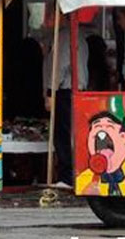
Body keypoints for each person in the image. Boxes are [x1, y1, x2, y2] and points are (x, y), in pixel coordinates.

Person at [43, 10, 89, 186]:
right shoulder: (80, 36)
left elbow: (59, 66)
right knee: (72, 132)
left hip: (65, 90)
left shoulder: (64, 37)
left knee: (63, 133)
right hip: (78, 88)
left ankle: (66, 176)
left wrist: (50, 91)